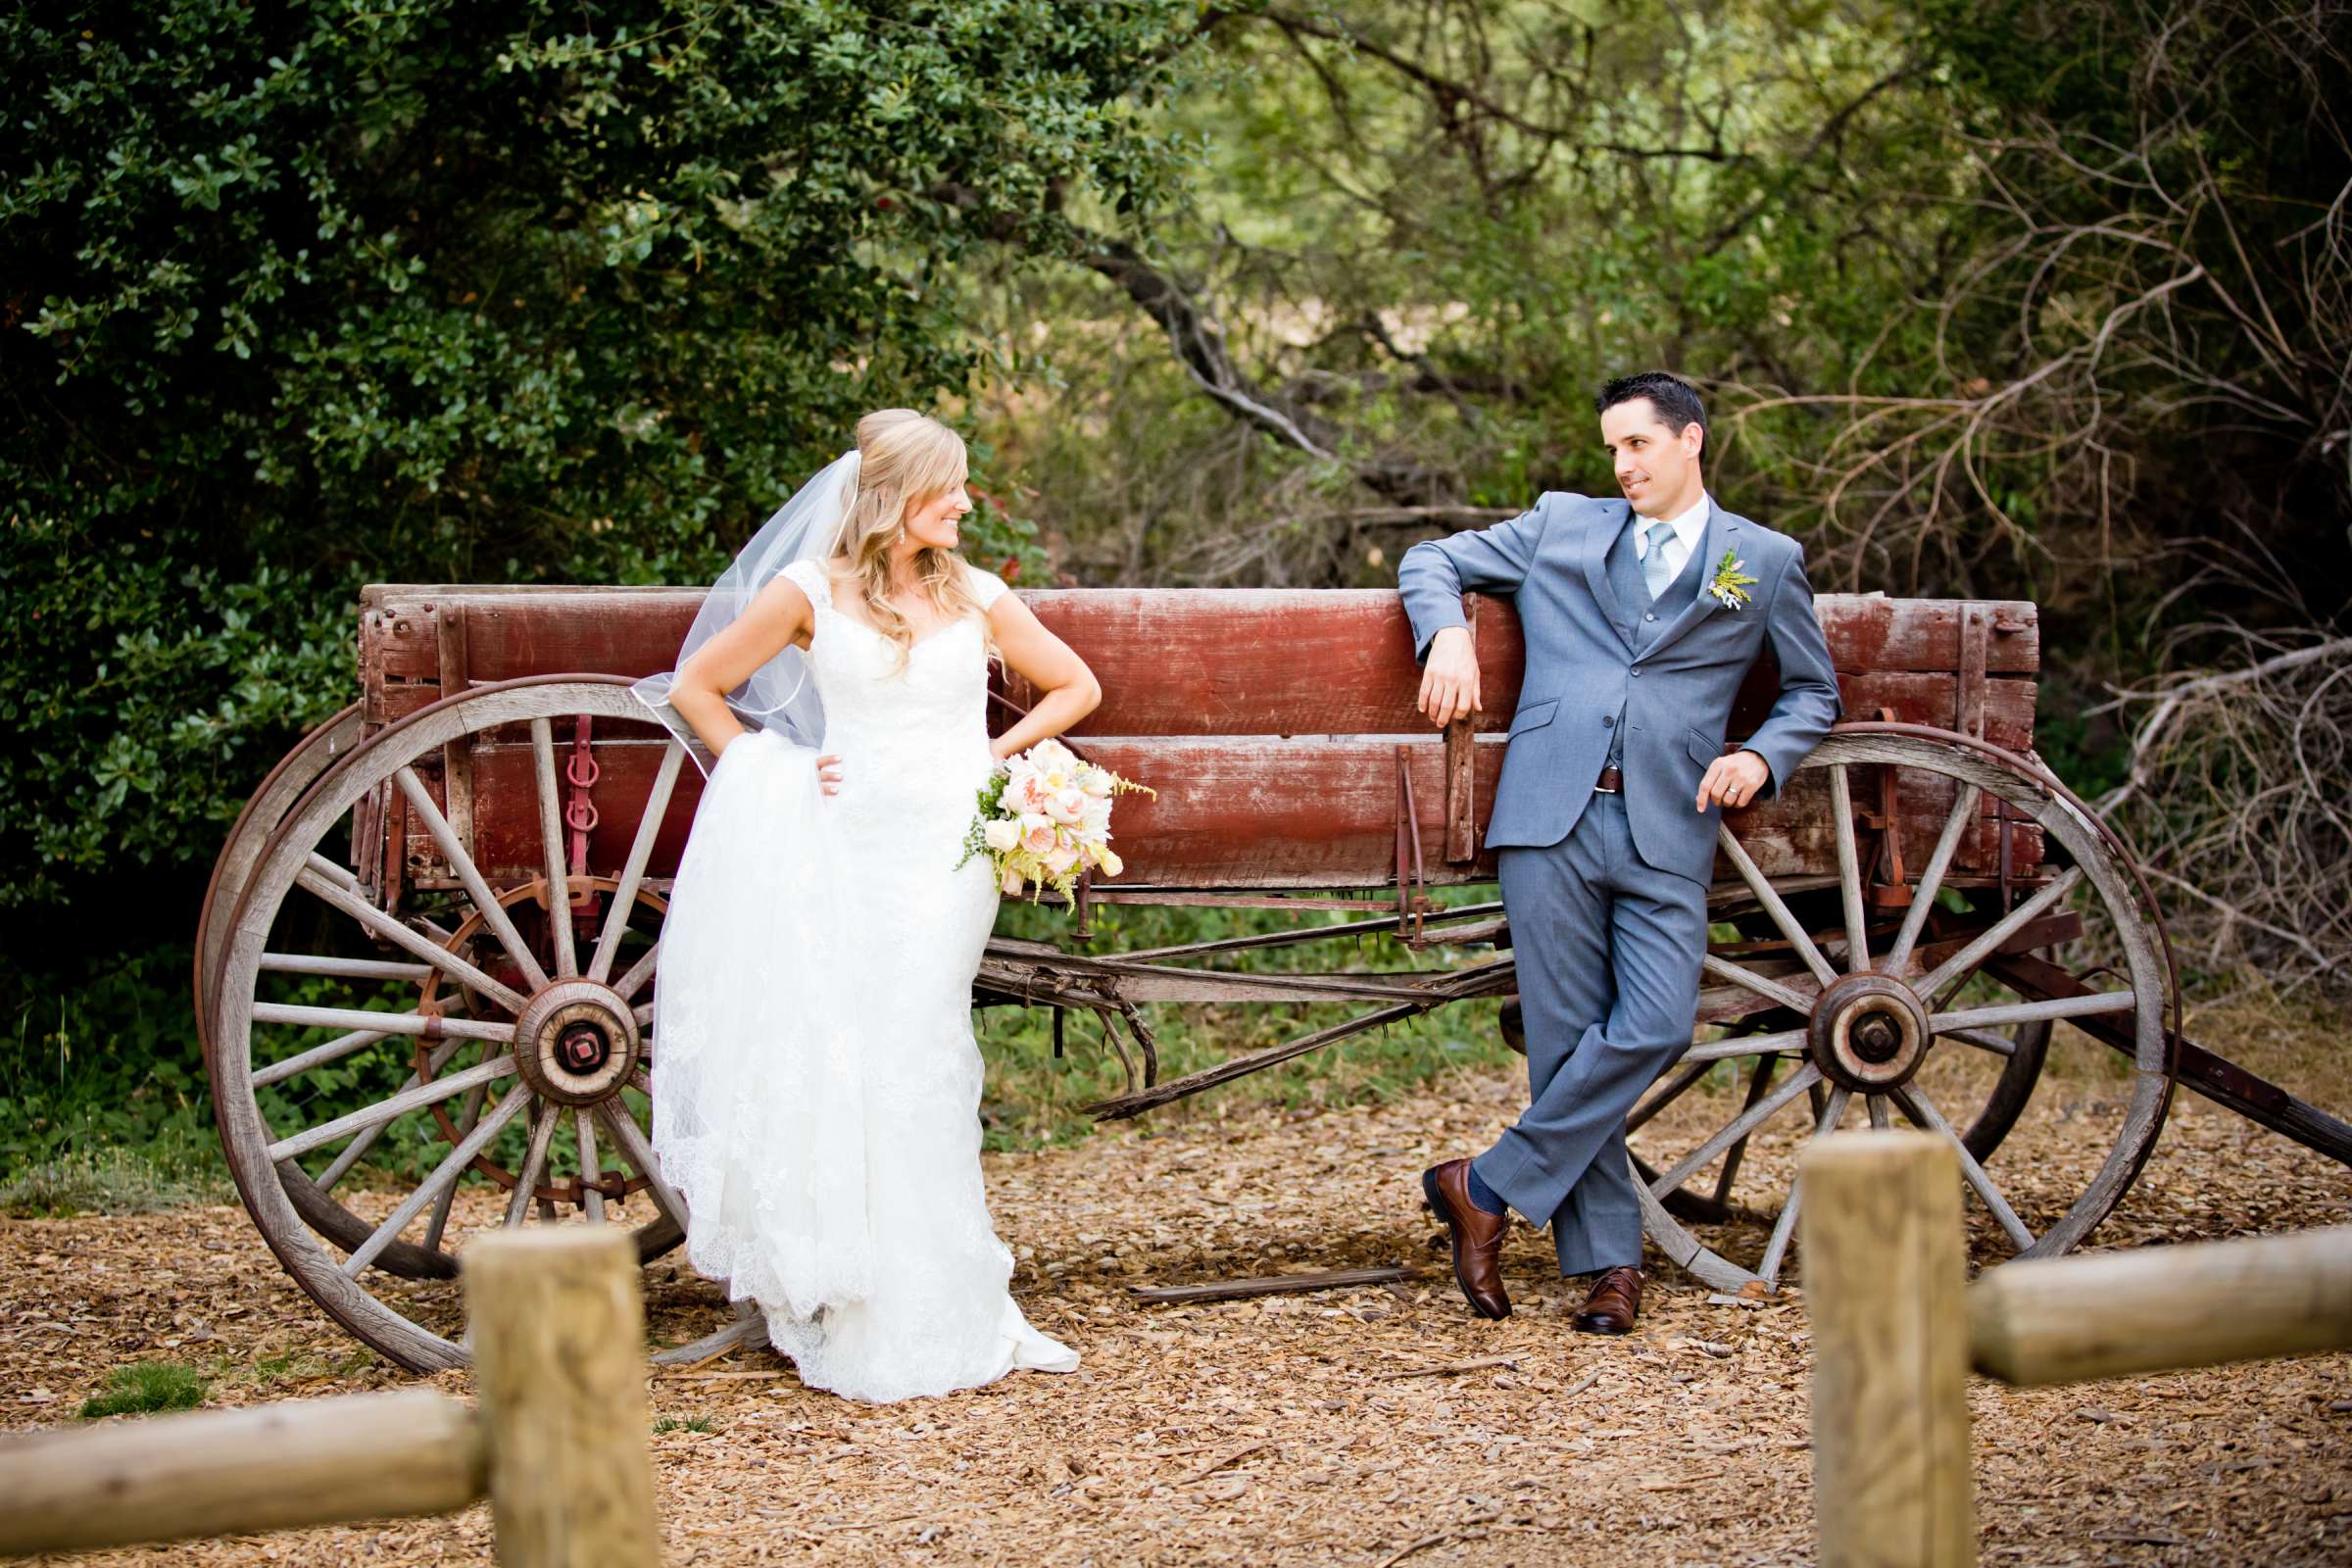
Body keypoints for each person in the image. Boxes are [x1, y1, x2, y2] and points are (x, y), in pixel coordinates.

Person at [633, 409, 1100, 1401]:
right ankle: (852, 1280)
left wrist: (995, 757)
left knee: (926, 1054)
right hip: (844, 849)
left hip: (945, 861)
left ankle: (956, 1296)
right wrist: (774, 770)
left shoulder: (976, 594)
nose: (967, 504)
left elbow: (1075, 686)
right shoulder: (808, 592)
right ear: (892, 499)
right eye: (950, 489)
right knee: (849, 1052)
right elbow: (697, 687)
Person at [1397, 371, 1838, 1333]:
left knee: (1653, 1025)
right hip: (1549, 817)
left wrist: (1762, 756)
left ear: (1690, 441)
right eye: (1610, 449)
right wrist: (1446, 637)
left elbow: (1813, 690)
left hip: (1667, 820)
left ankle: (1484, 1182)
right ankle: (1611, 1268)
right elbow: (1431, 558)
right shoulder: (1562, 525)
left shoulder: (1760, 560)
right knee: (1564, 1044)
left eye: (1636, 445)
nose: (1620, 465)